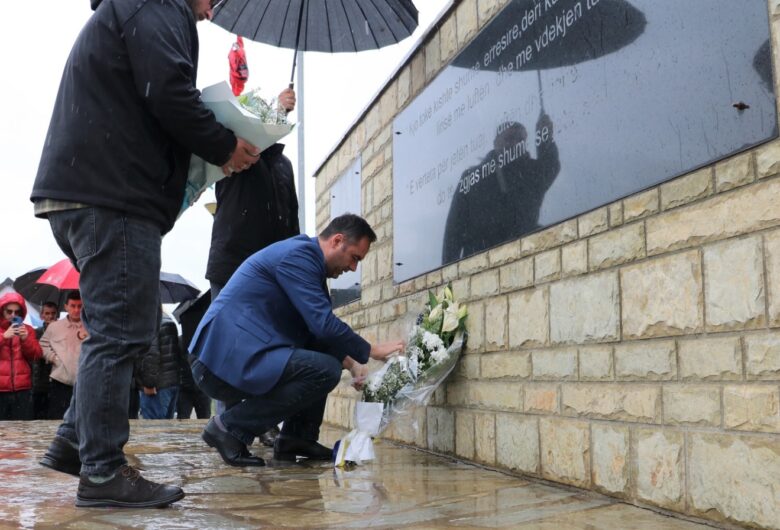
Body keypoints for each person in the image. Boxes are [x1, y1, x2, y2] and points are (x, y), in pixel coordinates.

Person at [31, 0, 262, 508]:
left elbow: (156, 91)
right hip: (112, 193)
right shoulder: (156, 3)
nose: (214, 11)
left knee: (120, 327)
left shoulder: (137, 7)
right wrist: (224, 146)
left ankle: (74, 442)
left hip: (91, 188)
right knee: (121, 331)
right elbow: (168, 91)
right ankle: (102, 474)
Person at [190, 214, 404, 467]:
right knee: (324, 370)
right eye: (354, 258)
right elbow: (322, 323)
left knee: (324, 360)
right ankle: (229, 428)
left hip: (235, 357)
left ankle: (297, 438)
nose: (353, 268)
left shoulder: (308, 263)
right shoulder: (298, 257)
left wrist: (353, 364)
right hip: (218, 361)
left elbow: (316, 333)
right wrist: (372, 350)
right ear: (337, 241)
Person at [205, 88, 297, 442]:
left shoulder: (284, 166)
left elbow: (291, 219)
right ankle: (227, 425)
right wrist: (277, 109)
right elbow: (248, 139)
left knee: (267, 349)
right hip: (231, 265)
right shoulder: (237, 155)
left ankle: (261, 422)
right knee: (228, 347)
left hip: (273, 275)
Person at [442, 113, 560, 263]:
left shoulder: (531, 174)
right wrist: (448, 275)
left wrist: (545, 136)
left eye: (520, 139)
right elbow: (453, 232)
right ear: (496, 143)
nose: (514, 143)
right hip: (479, 263)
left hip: (526, 257)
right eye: (509, 138)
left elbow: (550, 166)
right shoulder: (472, 178)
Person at [40, 291, 87, 419]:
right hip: (60, 380)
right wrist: (53, 358)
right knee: (57, 419)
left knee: (83, 419)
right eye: (73, 306)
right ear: (66, 307)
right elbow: (42, 345)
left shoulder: (91, 327)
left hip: (85, 380)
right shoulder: (54, 327)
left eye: (80, 306)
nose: (76, 310)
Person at [0, 293, 43, 421]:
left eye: (17, 312)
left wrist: (25, 339)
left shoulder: (28, 330)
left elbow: (36, 355)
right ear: (2, 311)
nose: (13, 315)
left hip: (22, 389)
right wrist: (3, 337)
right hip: (1, 390)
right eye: (9, 311)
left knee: (23, 428)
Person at [136, 313, 181, 419]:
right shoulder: (169, 320)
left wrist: (149, 385)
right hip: (172, 383)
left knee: (153, 427)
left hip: (156, 388)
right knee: (167, 427)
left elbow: (151, 356)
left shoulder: (150, 323)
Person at [32, 302, 59, 419]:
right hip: (39, 380)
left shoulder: (62, 332)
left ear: (57, 315)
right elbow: (35, 352)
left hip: (57, 378)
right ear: (42, 315)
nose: (50, 316)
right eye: (47, 313)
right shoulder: (36, 332)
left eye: (53, 313)